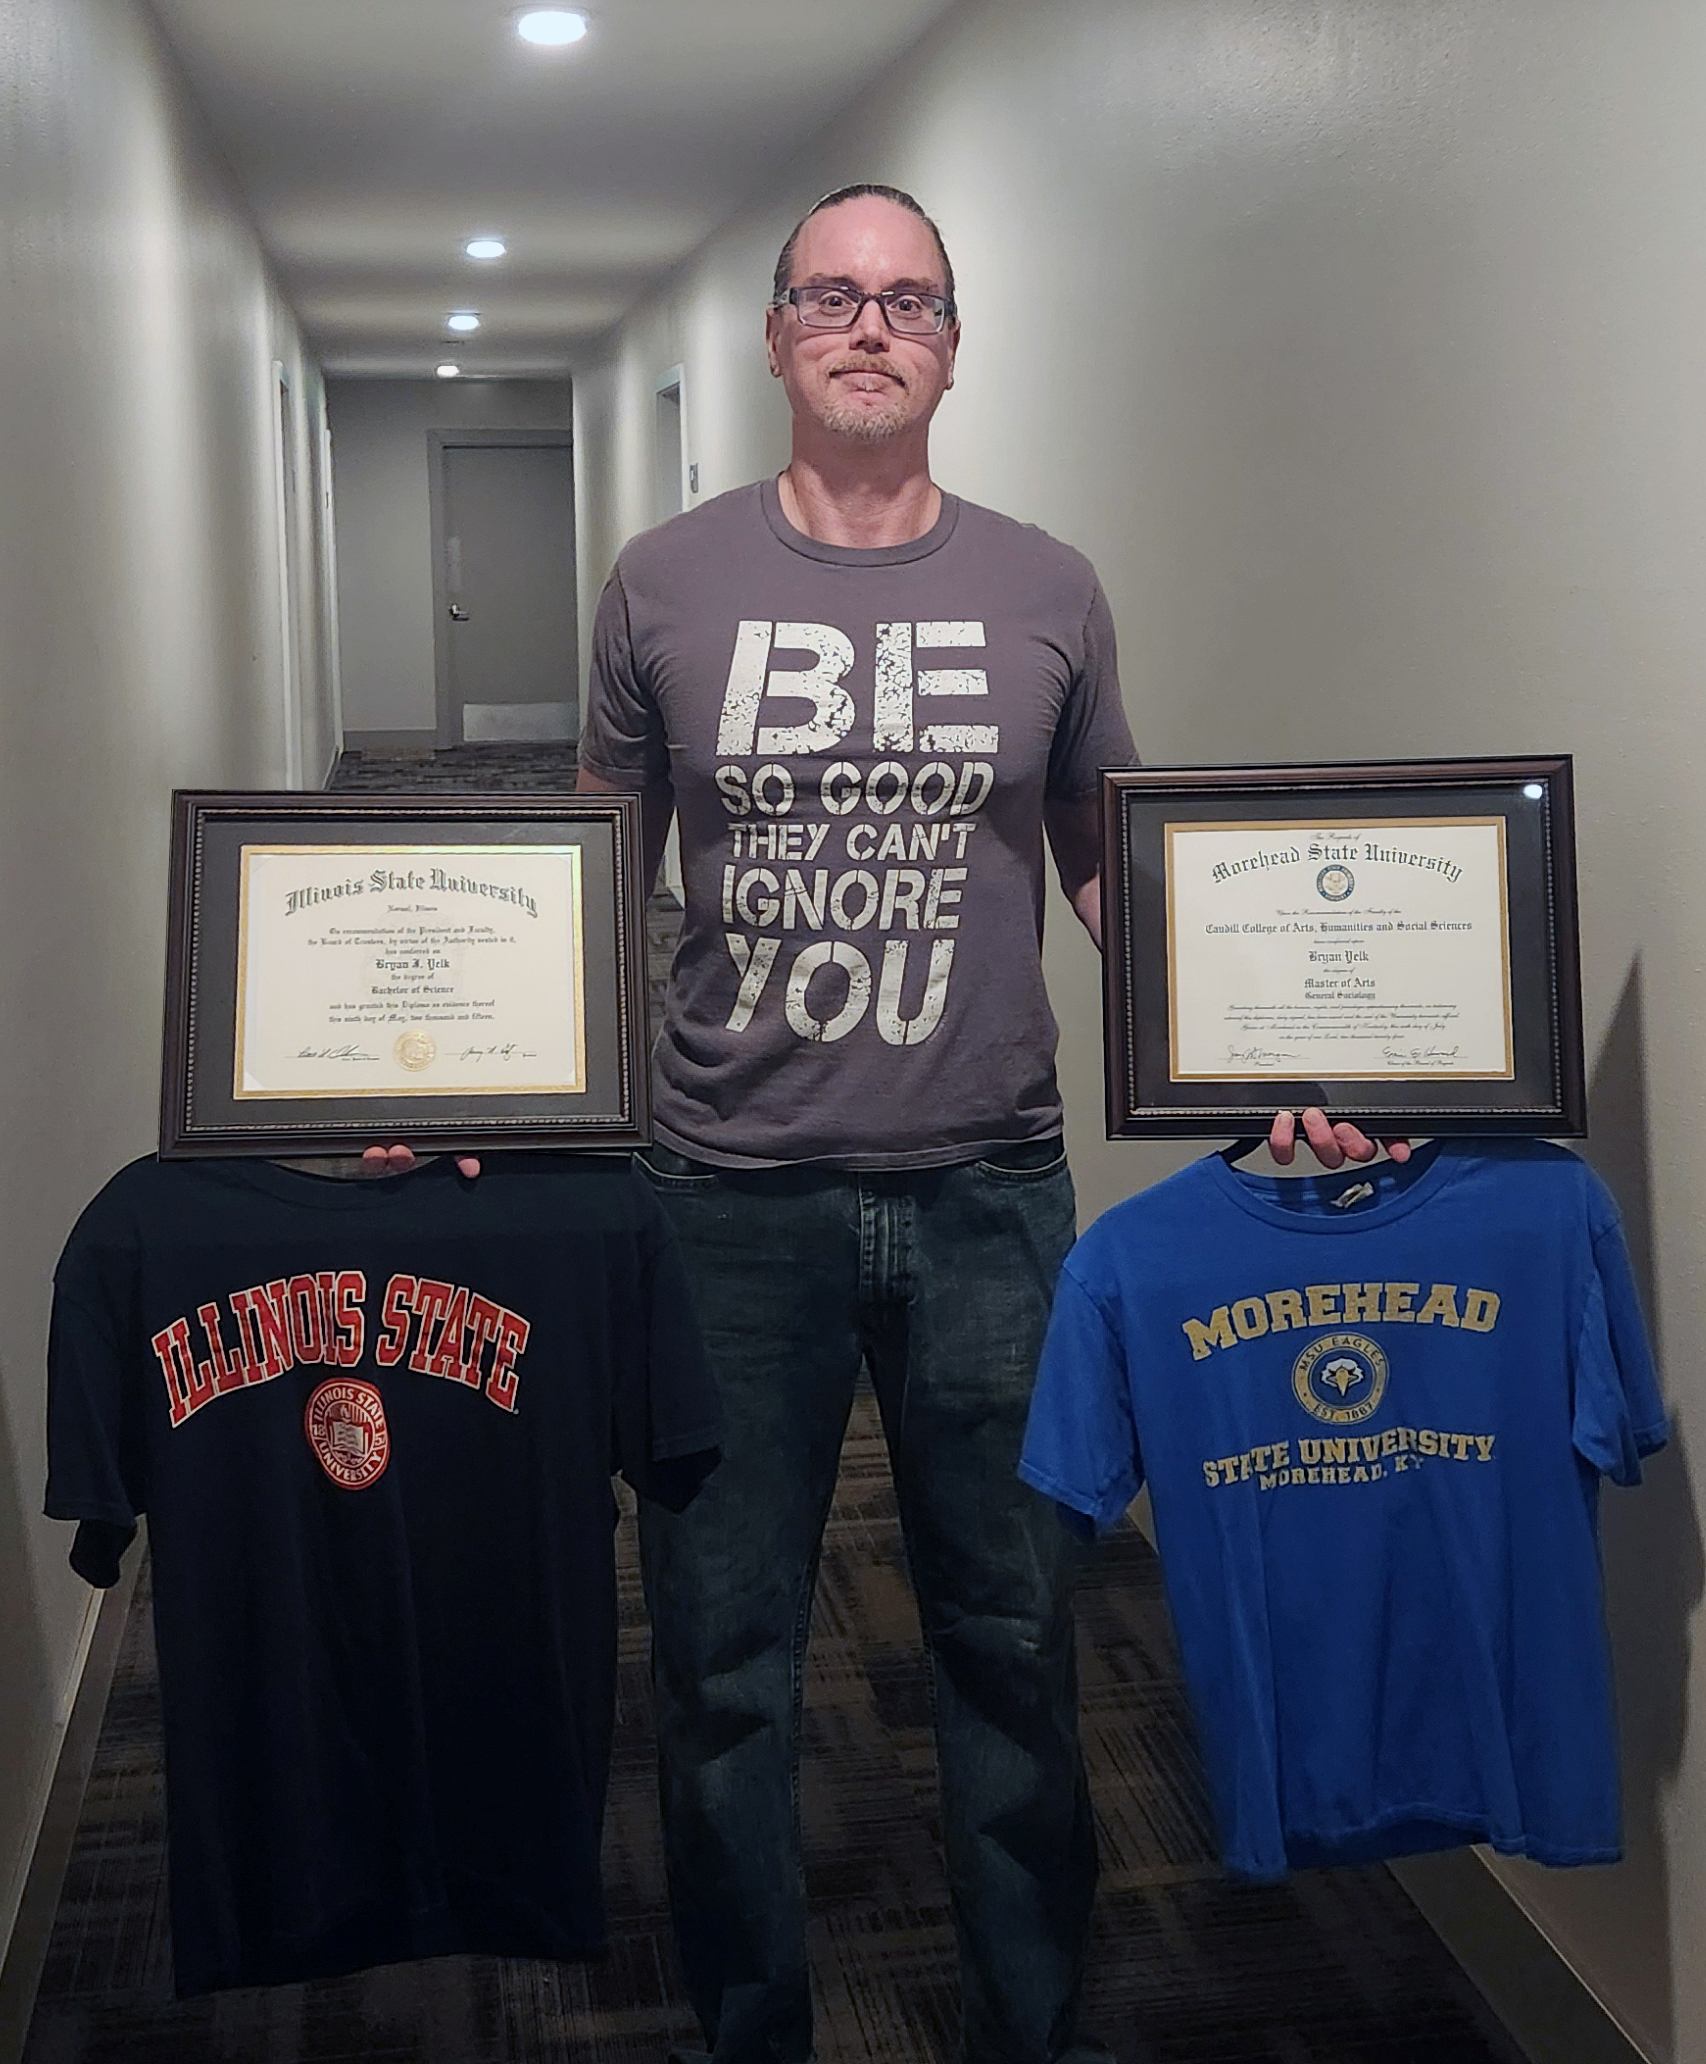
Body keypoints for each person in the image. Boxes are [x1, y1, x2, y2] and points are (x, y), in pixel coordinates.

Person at [374, 180, 1398, 2062]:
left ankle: (1025, 2014)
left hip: (990, 1192)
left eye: (908, 299)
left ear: (949, 344)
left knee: (1013, 1640)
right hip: (721, 1198)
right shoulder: (660, 581)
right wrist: (439, 1070)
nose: (870, 325)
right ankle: (747, 2021)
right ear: (776, 336)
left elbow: (1107, 862)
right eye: (832, 297)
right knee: (726, 1661)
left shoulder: (1049, 584)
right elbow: (591, 879)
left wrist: (1282, 1046)